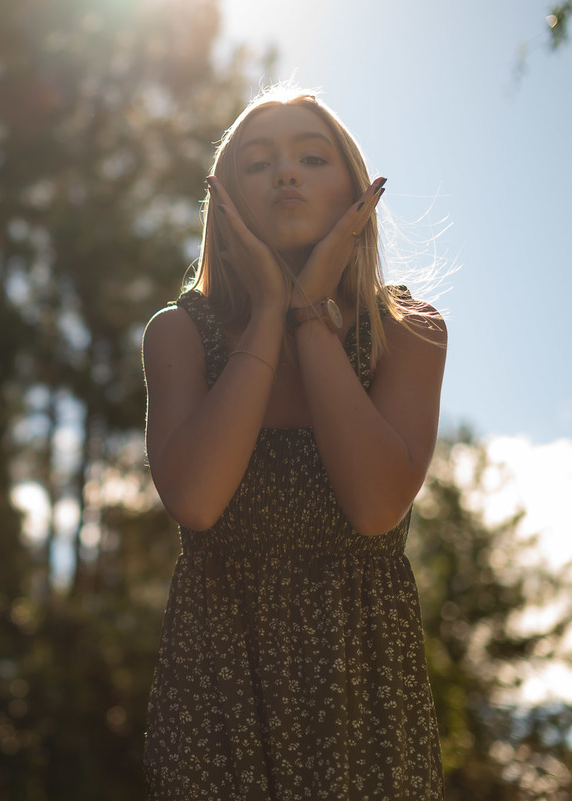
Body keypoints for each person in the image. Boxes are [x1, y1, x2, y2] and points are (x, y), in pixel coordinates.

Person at [140, 85, 447, 800]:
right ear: (226, 200)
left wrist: (312, 320)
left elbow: (375, 507)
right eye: (258, 163)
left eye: (312, 157)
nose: (287, 173)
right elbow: (197, 499)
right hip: (218, 686)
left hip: (364, 691)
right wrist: (273, 313)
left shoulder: (409, 332)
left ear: (353, 187)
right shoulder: (181, 334)